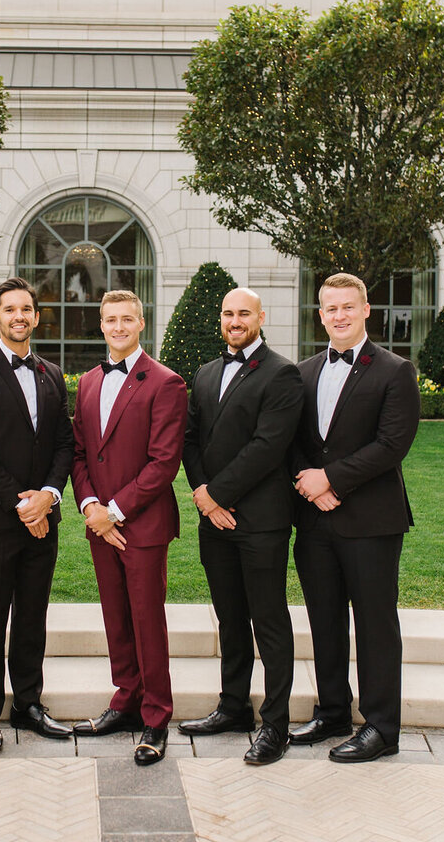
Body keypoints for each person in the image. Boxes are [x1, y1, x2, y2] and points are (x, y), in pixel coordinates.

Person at [291, 272, 420, 762]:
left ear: (366, 310)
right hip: (314, 521)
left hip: (372, 522)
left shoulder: (394, 370)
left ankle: (383, 728)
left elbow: (392, 445)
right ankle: (332, 711)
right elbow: (295, 442)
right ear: (319, 314)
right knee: (324, 620)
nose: (339, 315)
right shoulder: (302, 372)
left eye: (348, 306)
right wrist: (310, 482)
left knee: (375, 624)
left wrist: (332, 480)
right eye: (330, 308)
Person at [179, 287, 303, 765]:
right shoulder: (206, 373)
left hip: (262, 521)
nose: (235, 320)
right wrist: (204, 496)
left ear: (260, 318)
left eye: (244, 313)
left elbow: (268, 447)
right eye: (228, 313)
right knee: (230, 618)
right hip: (215, 519)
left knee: (268, 620)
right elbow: (190, 439)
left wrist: (217, 494)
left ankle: (275, 725)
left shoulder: (282, 374)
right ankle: (233, 707)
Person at [0, 276, 75, 753]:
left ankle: (28, 703)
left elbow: (64, 443)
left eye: (27, 309)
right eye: (10, 310)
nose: (19, 317)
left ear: (36, 317)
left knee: (32, 616)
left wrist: (48, 493)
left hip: (44, 516)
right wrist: (21, 504)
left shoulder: (50, 371)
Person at [72, 290, 187, 766]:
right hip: (100, 522)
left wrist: (115, 511)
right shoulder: (87, 382)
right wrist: (91, 507)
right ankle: (125, 700)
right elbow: (81, 453)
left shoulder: (166, 383)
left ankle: (156, 717)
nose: (118, 327)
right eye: (110, 319)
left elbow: (164, 463)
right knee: (116, 618)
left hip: (142, 525)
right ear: (101, 325)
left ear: (142, 322)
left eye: (127, 319)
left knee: (146, 620)